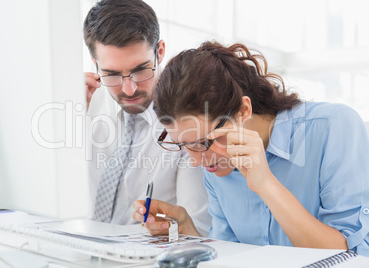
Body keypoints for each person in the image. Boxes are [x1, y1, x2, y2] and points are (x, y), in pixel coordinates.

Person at [132, 41, 369, 256]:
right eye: (185, 145)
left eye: (204, 141)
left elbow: (352, 257)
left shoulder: (333, 127)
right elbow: (232, 255)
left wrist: (266, 184)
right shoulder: (215, 164)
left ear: (244, 110)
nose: (197, 160)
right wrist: (186, 229)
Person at [83, 0, 211, 235]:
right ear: (95, 65)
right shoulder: (86, 104)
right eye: (111, 74)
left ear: (159, 52)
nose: (129, 90)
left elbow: (198, 229)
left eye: (140, 70)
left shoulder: (186, 120)